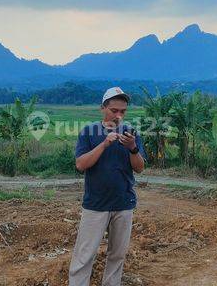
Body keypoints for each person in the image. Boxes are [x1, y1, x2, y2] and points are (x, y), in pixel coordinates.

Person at [69, 86, 146, 286]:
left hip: (123, 203)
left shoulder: (131, 133)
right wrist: (104, 144)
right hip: (95, 204)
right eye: (114, 111)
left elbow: (139, 168)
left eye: (123, 111)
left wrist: (133, 148)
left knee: (117, 255)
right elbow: (80, 165)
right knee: (84, 256)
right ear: (103, 108)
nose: (119, 116)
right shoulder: (89, 132)